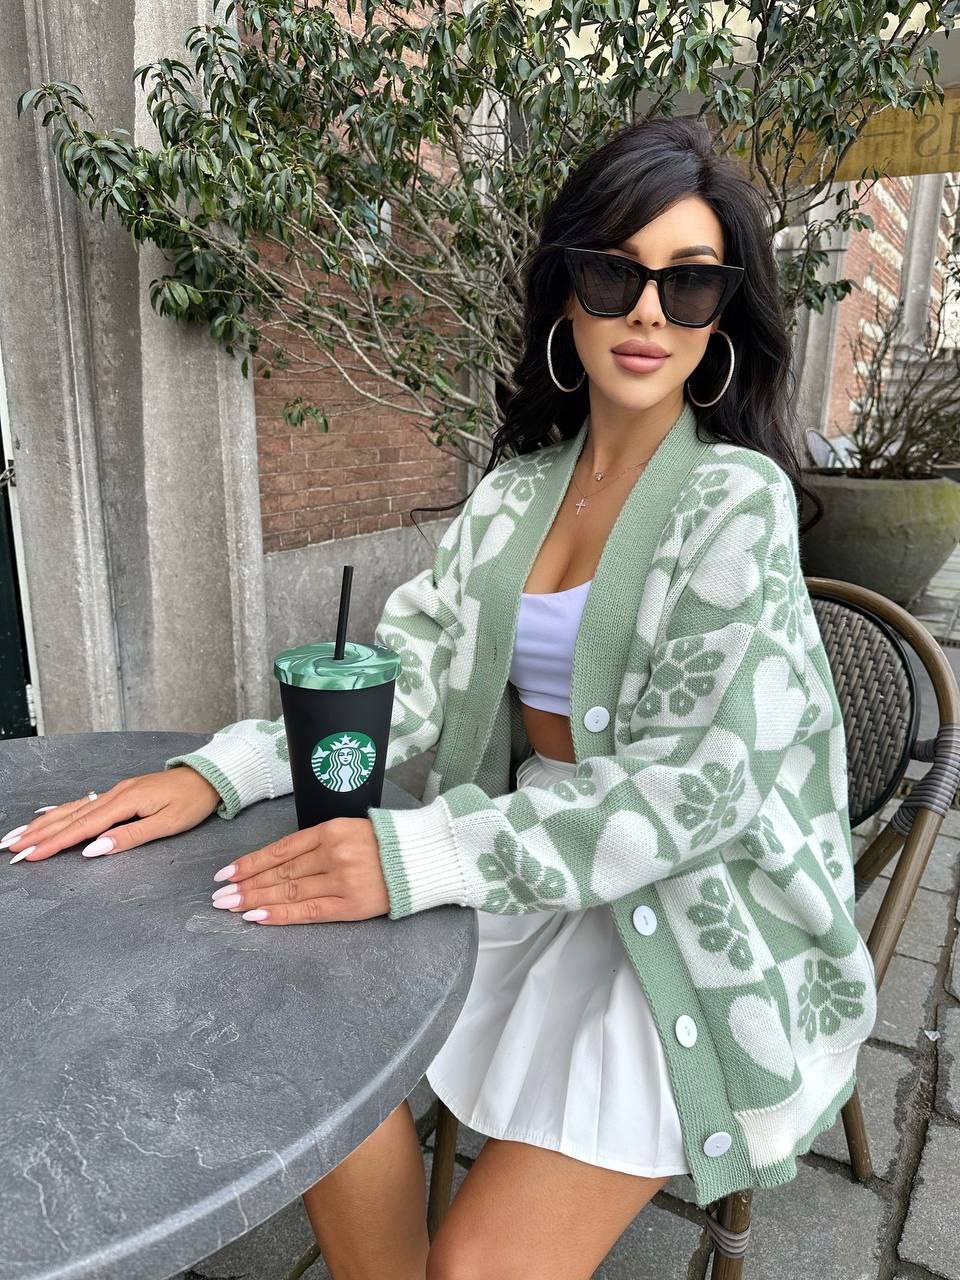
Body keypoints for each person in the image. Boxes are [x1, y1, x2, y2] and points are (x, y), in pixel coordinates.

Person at [1, 117, 877, 1280]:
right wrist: (216, 771)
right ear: (568, 290)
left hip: (685, 913)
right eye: (617, 273)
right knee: (300, 1049)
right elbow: (404, 679)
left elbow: (698, 789)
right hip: (524, 861)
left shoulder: (736, 503)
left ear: (723, 315)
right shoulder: (517, 495)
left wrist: (414, 856)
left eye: (692, 282)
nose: (650, 312)